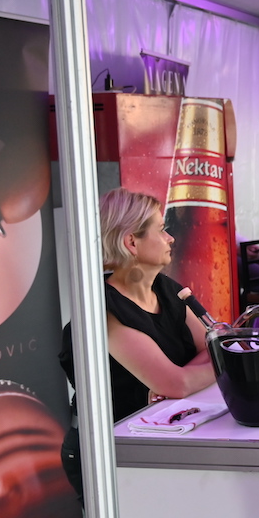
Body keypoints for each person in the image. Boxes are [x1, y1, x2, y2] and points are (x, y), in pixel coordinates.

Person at [58, 188, 214, 501]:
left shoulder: (166, 289)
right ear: (131, 242)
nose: (170, 239)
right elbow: (178, 383)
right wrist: (188, 376)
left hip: (155, 440)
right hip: (108, 450)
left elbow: (213, 350)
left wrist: (184, 376)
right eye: (161, 230)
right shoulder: (103, 310)